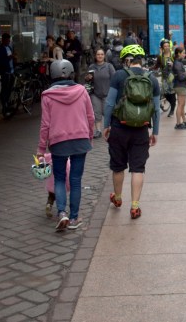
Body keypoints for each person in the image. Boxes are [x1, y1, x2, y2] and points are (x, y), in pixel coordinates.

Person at [103, 44, 160, 219]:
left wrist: (106, 125)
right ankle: (135, 206)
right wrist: (155, 132)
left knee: (118, 166)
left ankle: (118, 198)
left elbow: (110, 103)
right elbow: (156, 109)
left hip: (119, 127)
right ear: (141, 60)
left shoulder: (119, 75)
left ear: (127, 60)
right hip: (141, 129)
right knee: (138, 168)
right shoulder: (152, 78)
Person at [37, 59, 94, 231]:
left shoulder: (47, 96)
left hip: (58, 142)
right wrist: (89, 137)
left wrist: (41, 149)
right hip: (80, 140)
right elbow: (90, 117)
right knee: (76, 180)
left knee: (60, 179)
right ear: (71, 73)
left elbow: (45, 124)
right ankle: (75, 217)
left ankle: (62, 213)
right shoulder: (82, 91)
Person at [86, 48, 115, 138]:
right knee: (96, 112)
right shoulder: (91, 67)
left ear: (104, 56)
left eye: (102, 54)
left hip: (107, 93)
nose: (100, 56)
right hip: (95, 94)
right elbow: (87, 81)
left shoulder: (109, 66)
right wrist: (88, 78)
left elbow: (114, 79)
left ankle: (109, 129)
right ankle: (98, 131)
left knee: (107, 112)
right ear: (95, 56)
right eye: (98, 54)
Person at [155, 41, 176, 117]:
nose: (167, 47)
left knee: (172, 94)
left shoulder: (173, 54)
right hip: (164, 78)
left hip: (173, 78)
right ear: (162, 48)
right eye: (165, 46)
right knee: (166, 94)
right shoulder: (160, 56)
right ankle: (172, 104)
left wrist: (173, 64)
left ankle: (172, 110)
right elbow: (156, 66)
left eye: (168, 46)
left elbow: (179, 64)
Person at [0, 33, 16, 116]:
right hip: (5, 72)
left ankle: (7, 104)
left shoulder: (9, 47)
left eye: (9, 40)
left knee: (9, 89)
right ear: (3, 40)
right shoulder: (0, 49)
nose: (8, 41)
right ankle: (4, 107)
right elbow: (0, 61)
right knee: (4, 90)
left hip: (11, 71)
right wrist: (9, 57)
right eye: (7, 40)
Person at [172, 45, 186, 129]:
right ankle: (178, 123)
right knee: (180, 105)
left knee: (182, 104)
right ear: (178, 54)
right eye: (183, 53)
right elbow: (181, 77)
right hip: (180, 86)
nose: (185, 54)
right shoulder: (177, 63)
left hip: (180, 85)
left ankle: (184, 121)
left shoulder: (178, 62)